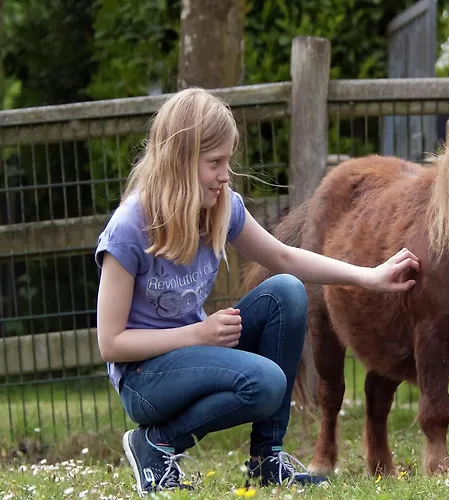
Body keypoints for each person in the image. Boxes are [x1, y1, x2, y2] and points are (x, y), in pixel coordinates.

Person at [94, 87, 421, 496]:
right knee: (266, 383)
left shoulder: (219, 207)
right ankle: (155, 443)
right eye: (214, 163)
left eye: (227, 161)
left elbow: (285, 258)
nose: (225, 175)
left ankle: (267, 459)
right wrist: (197, 334)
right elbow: (111, 343)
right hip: (144, 379)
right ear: (178, 161)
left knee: (285, 291)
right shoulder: (129, 229)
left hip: (194, 353)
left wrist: (370, 275)